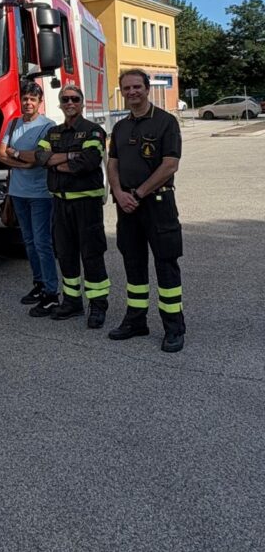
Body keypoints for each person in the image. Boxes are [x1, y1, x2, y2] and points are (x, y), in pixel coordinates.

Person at [107, 69, 185, 352]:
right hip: (127, 207)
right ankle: (136, 321)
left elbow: (169, 165)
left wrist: (138, 193)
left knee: (166, 264)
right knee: (133, 264)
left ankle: (174, 327)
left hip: (158, 205)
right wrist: (118, 193)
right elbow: (112, 163)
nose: (132, 92)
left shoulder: (166, 122)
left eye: (136, 87)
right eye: (126, 88)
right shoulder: (120, 127)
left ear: (147, 88)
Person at [35, 84, 110, 327]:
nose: (70, 103)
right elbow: (39, 157)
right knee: (65, 255)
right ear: (60, 104)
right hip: (60, 204)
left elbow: (88, 162)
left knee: (92, 255)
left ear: (82, 102)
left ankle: (98, 305)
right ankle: (72, 301)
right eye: (65, 99)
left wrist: (55, 163)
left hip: (86, 205)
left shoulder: (93, 131)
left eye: (74, 99)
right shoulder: (53, 132)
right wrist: (69, 156)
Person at [0, 81, 59, 316]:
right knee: (29, 242)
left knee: (43, 243)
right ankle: (39, 283)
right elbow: (1, 155)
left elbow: (38, 158)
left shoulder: (48, 126)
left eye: (33, 99)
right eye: (25, 99)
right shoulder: (12, 124)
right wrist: (21, 160)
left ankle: (52, 292)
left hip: (41, 194)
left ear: (40, 102)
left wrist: (16, 154)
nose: (28, 103)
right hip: (18, 194)